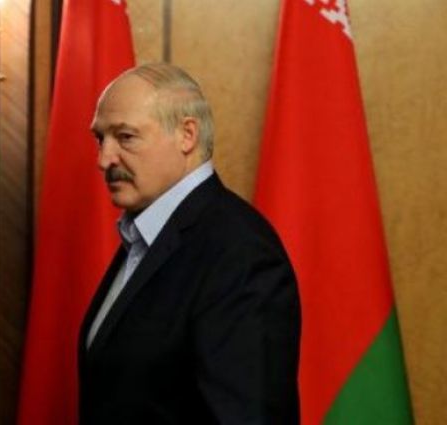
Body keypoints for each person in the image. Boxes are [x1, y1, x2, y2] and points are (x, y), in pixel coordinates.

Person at [78, 62, 300, 424]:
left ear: (187, 135)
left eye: (126, 137)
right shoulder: (144, 235)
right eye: (100, 139)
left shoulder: (240, 251)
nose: (104, 159)